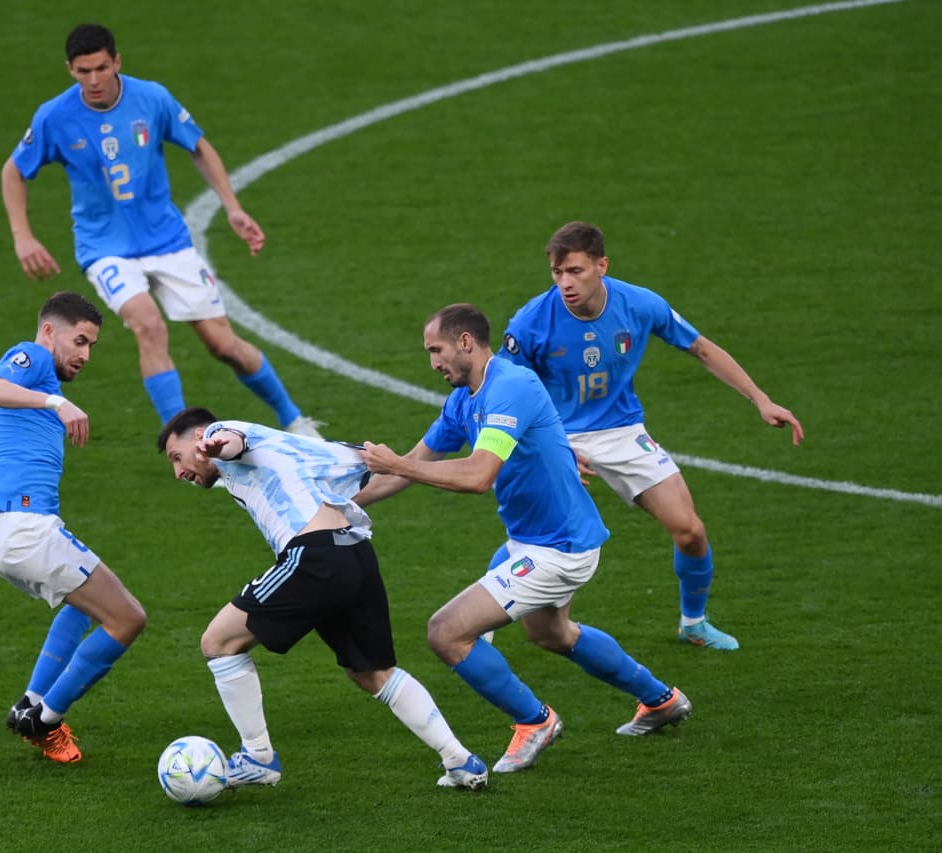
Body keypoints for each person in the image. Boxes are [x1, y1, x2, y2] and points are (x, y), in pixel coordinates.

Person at [356, 304, 692, 773]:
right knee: (553, 633)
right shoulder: (462, 400)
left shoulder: (510, 387)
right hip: (536, 540)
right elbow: (406, 469)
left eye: (436, 350)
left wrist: (399, 464)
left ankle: (534, 721)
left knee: (446, 633)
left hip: (560, 549)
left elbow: (476, 475)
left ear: (466, 343)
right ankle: (661, 700)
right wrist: (337, 508)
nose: (433, 362)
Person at [497, 221, 805, 650]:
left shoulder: (639, 305)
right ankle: (486, 609)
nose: (565, 283)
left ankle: (693, 623)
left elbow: (700, 347)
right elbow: (503, 390)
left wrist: (761, 399)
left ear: (602, 265)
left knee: (690, 530)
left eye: (575, 271)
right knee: (538, 540)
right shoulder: (532, 322)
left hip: (622, 431)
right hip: (555, 434)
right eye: (557, 272)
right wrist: (551, 445)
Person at [1, 23, 321, 436]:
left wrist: (233, 207)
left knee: (223, 344)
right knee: (148, 325)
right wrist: (22, 236)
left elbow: (199, 147)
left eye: (101, 68)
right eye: (83, 71)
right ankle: (183, 439)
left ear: (117, 61)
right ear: (70, 69)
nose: (94, 80)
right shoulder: (54, 117)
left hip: (167, 240)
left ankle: (293, 418)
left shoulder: (152, 98)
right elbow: (14, 170)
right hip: (104, 247)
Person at [158, 407, 489, 790]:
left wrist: (218, 445)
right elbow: (365, 478)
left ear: (198, 435)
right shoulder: (284, 452)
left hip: (314, 558)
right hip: (354, 553)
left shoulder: (221, 434)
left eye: (177, 458)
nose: (178, 472)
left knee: (218, 642)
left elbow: (232, 441)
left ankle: (258, 757)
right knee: (372, 673)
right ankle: (460, 760)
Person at [0, 291, 147, 764]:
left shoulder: (41, 381)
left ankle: (29, 703)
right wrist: (55, 403)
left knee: (83, 605)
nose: (85, 355)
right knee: (128, 618)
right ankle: (45, 720)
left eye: (92, 346)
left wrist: (53, 402)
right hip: (23, 526)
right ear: (49, 331)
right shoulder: (30, 359)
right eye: (80, 340)